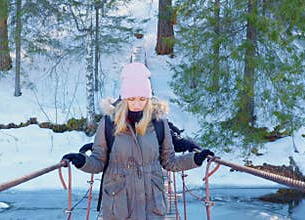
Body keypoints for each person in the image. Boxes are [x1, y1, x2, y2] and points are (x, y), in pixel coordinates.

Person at [62, 62, 214, 219]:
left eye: (142, 98)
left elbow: (169, 162)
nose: (136, 104)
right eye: (131, 98)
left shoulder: (159, 123)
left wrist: (196, 159)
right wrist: (82, 161)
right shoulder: (108, 123)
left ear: (149, 98)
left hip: (152, 206)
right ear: (123, 97)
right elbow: (98, 161)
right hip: (119, 206)